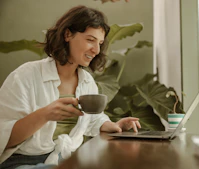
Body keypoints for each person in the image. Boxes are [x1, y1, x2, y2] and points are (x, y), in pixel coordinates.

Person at [0, 5, 141, 169]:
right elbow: (5, 136)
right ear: (68, 34)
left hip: (66, 161)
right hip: (22, 163)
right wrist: (44, 115)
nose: (96, 50)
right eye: (90, 40)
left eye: (100, 43)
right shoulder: (25, 76)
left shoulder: (87, 81)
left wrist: (113, 125)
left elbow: (93, 120)